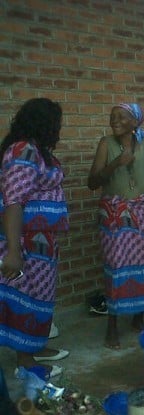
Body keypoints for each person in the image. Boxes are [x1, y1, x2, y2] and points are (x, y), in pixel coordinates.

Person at [88, 103, 144, 350]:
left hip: (142, 215)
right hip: (115, 217)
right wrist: (116, 163)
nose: (115, 120)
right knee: (117, 268)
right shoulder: (106, 144)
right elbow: (92, 182)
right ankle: (112, 326)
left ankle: (138, 317)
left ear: (135, 122)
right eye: (113, 116)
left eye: (121, 117)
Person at [0, 98, 69, 377]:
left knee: (40, 298)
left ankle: (34, 347)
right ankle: (26, 364)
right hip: (25, 243)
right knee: (25, 299)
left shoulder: (37, 150)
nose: (58, 129)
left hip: (42, 243)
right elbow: (13, 201)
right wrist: (13, 252)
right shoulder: (23, 150)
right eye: (56, 124)